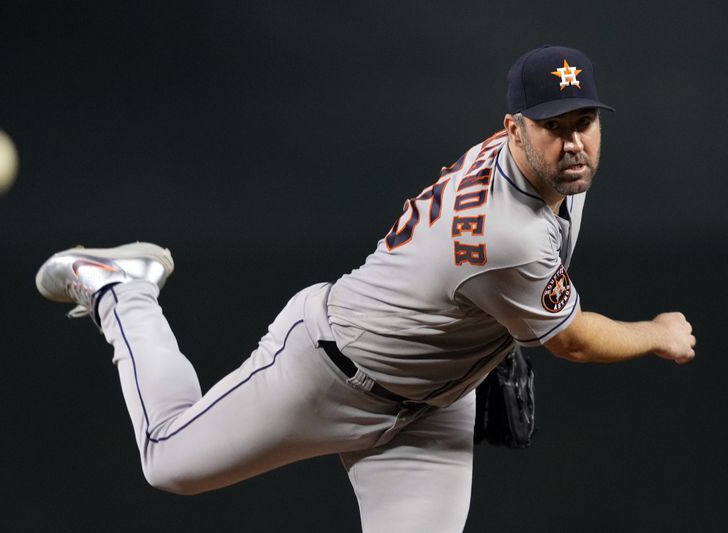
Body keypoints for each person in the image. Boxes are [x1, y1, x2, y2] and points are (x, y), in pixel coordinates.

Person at [35, 45, 696, 533]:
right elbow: (575, 342)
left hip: (432, 411)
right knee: (166, 461)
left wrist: (489, 338)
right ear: (513, 126)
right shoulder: (508, 233)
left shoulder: (545, 173)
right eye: (553, 124)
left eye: (584, 119)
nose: (574, 141)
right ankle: (123, 288)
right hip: (327, 372)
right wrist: (658, 332)